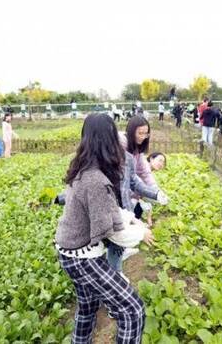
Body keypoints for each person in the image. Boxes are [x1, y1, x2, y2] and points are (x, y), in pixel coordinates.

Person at [54, 114, 148, 343]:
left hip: (69, 251)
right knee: (132, 310)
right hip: (82, 257)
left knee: (88, 306)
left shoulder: (85, 169)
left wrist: (129, 218)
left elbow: (109, 209)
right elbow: (113, 233)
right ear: (110, 140)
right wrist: (141, 233)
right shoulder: (95, 179)